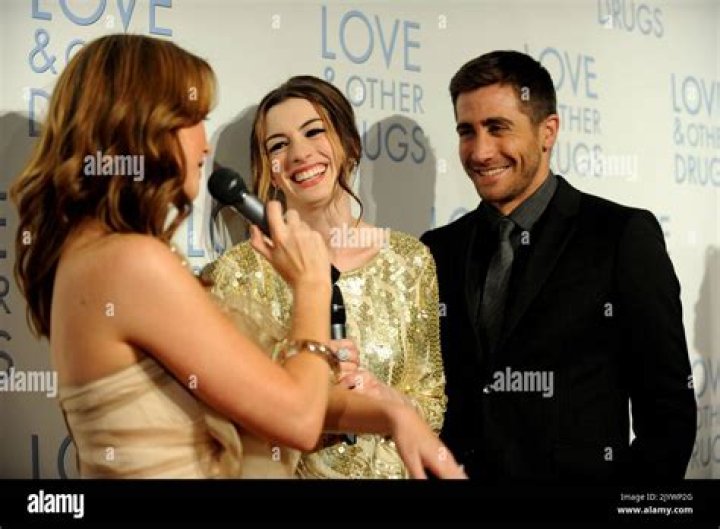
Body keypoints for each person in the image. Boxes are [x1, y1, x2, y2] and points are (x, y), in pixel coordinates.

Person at [10, 34, 465, 479]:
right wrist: (312, 287)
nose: (206, 145)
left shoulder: (99, 254)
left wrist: (392, 412)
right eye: (193, 119)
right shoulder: (130, 262)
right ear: (145, 126)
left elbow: (256, 402)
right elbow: (296, 418)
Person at [420, 50, 696, 482]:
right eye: (467, 131)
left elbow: (668, 413)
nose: (480, 151)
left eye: (497, 128)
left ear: (547, 131)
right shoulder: (438, 250)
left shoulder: (620, 236)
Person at [205, 75, 447, 478]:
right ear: (269, 170)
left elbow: (432, 405)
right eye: (278, 145)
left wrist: (381, 398)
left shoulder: (410, 261)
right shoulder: (240, 270)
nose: (300, 153)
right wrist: (308, 384)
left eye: (314, 132)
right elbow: (229, 412)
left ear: (349, 144)